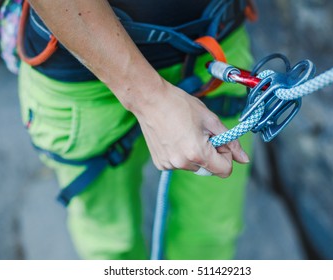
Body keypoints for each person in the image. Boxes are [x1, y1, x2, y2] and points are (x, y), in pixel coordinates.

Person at [18, 0, 255, 259]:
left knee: (211, 235)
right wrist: (150, 99)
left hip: (216, 48)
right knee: (113, 245)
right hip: (85, 73)